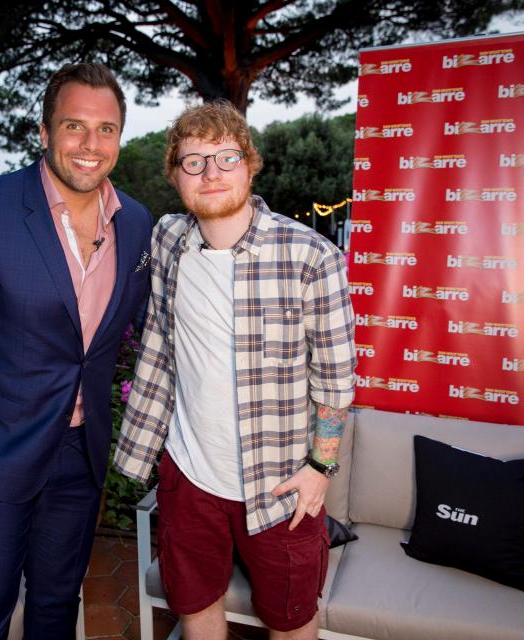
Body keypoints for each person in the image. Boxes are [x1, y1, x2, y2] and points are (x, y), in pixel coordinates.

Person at [0, 62, 153, 640]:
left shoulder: (138, 224)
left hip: (80, 456)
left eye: (106, 130)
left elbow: (150, 332)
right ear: (45, 131)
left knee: (56, 605)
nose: (90, 144)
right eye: (74, 125)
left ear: (120, 138)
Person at [114, 101, 356, 639]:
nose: (211, 173)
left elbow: (337, 382)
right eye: (193, 161)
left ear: (250, 164)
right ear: (175, 175)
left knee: (291, 621)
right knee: (196, 607)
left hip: (281, 485)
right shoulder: (169, 239)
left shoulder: (311, 257)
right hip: (188, 478)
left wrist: (320, 468)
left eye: (225, 157)